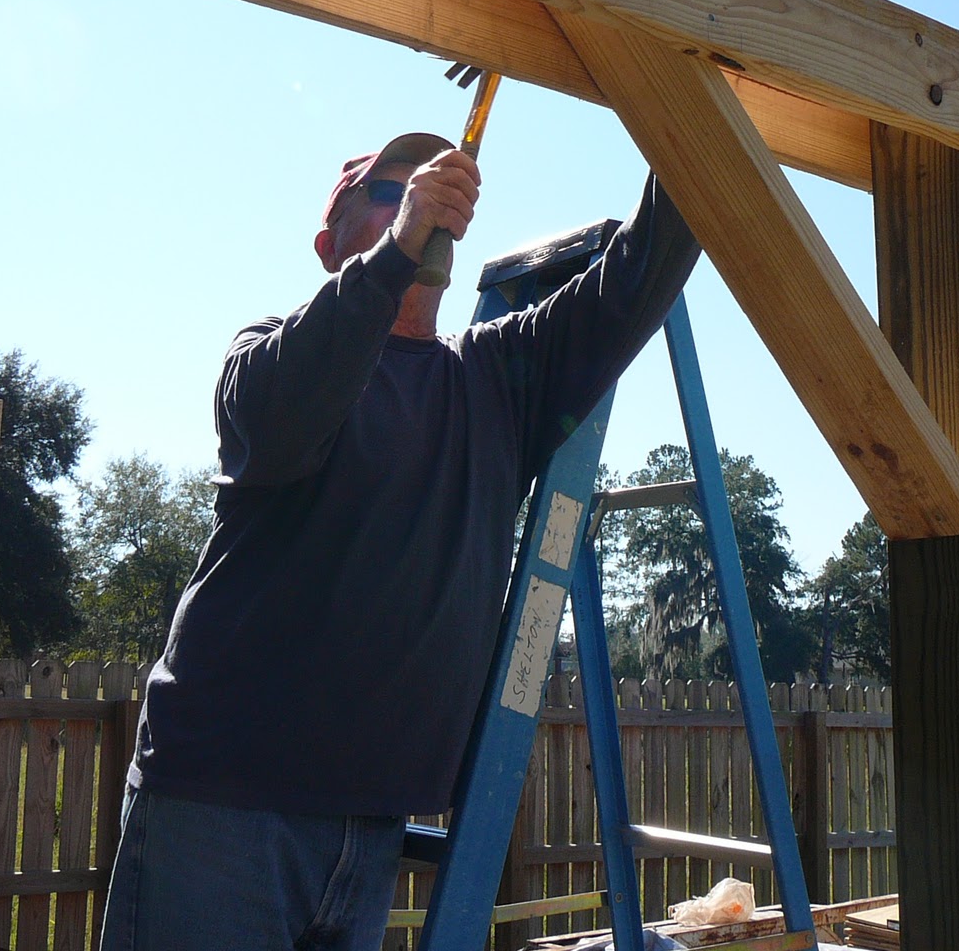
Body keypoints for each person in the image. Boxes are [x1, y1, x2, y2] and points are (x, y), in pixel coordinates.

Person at [100, 132, 701, 951]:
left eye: (427, 186)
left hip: (374, 823)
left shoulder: (494, 378)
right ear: (330, 244)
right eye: (388, 191)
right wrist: (398, 245)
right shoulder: (266, 354)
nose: (420, 194)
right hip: (222, 806)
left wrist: (692, 113)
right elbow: (284, 413)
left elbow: (638, 278)